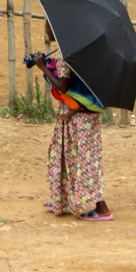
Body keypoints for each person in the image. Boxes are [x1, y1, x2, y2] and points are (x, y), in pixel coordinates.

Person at [34, 21, 111, 221]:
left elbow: (62, 86)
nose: (46, 31)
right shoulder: (81, 50)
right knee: (68, 153)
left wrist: (43, 68)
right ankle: (63, 199)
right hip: (84, 111)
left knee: (84, 160)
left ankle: (102, 208)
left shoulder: (65, 54)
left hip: (78, 115)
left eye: (48, 27)